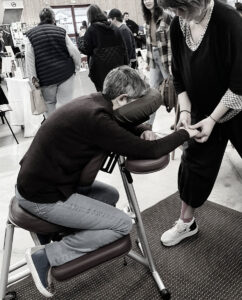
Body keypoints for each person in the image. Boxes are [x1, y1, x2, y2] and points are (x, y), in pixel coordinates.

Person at [16, 66, 198, 297]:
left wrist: (143, 129)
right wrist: (186, 134)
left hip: (42, 183)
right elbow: (149, 151)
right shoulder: (97, 120)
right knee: (123, 224)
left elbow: (120, 125)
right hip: (43, 197)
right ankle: (45, 256)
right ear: (123, 99)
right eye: (137, 101)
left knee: (109, 196)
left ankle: (69, 232)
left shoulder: (93, 101)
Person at [157, 0, 242, 247]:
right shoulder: (177, 25)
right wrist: (185, 110)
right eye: (174, 10)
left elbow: (239, 83)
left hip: (237, 105)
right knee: (192, 165)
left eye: (183, 8)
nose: (180, 15)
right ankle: (186, 223)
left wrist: (214, 119)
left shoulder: (229, 22)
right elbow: (178, 76)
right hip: (201, 110)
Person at [25, 7, 81, 117]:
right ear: (53, 19)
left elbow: (30, 61)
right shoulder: (61, 31)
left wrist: (34, 82)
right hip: (65, 75)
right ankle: (68, 130)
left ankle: (54, 131)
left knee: (49, 107)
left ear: (40, 19)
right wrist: (77, 68)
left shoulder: (29, 36)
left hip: (45, 79)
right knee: (65, 105)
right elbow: (74, 52)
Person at [79, 5, 128, 91]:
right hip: (117, 67)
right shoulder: (114, 27)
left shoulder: (91, 30)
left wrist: (81, 37)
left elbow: (86, 49)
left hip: (100, 70)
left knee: (103, 93)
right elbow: (124, 48)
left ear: (89, 16)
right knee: (118, 91)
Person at [141, 0, 172, 126]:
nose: (147, 1)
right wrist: (148, 62)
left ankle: (180, 122)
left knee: (172, 92)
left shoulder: (166, 16)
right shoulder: (147, 18)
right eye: (144, 0)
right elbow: (149, 43)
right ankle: (148, 126)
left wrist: (171, 64)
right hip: (153, 57)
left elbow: (171, 41)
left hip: (165, 57)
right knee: (152, 93)